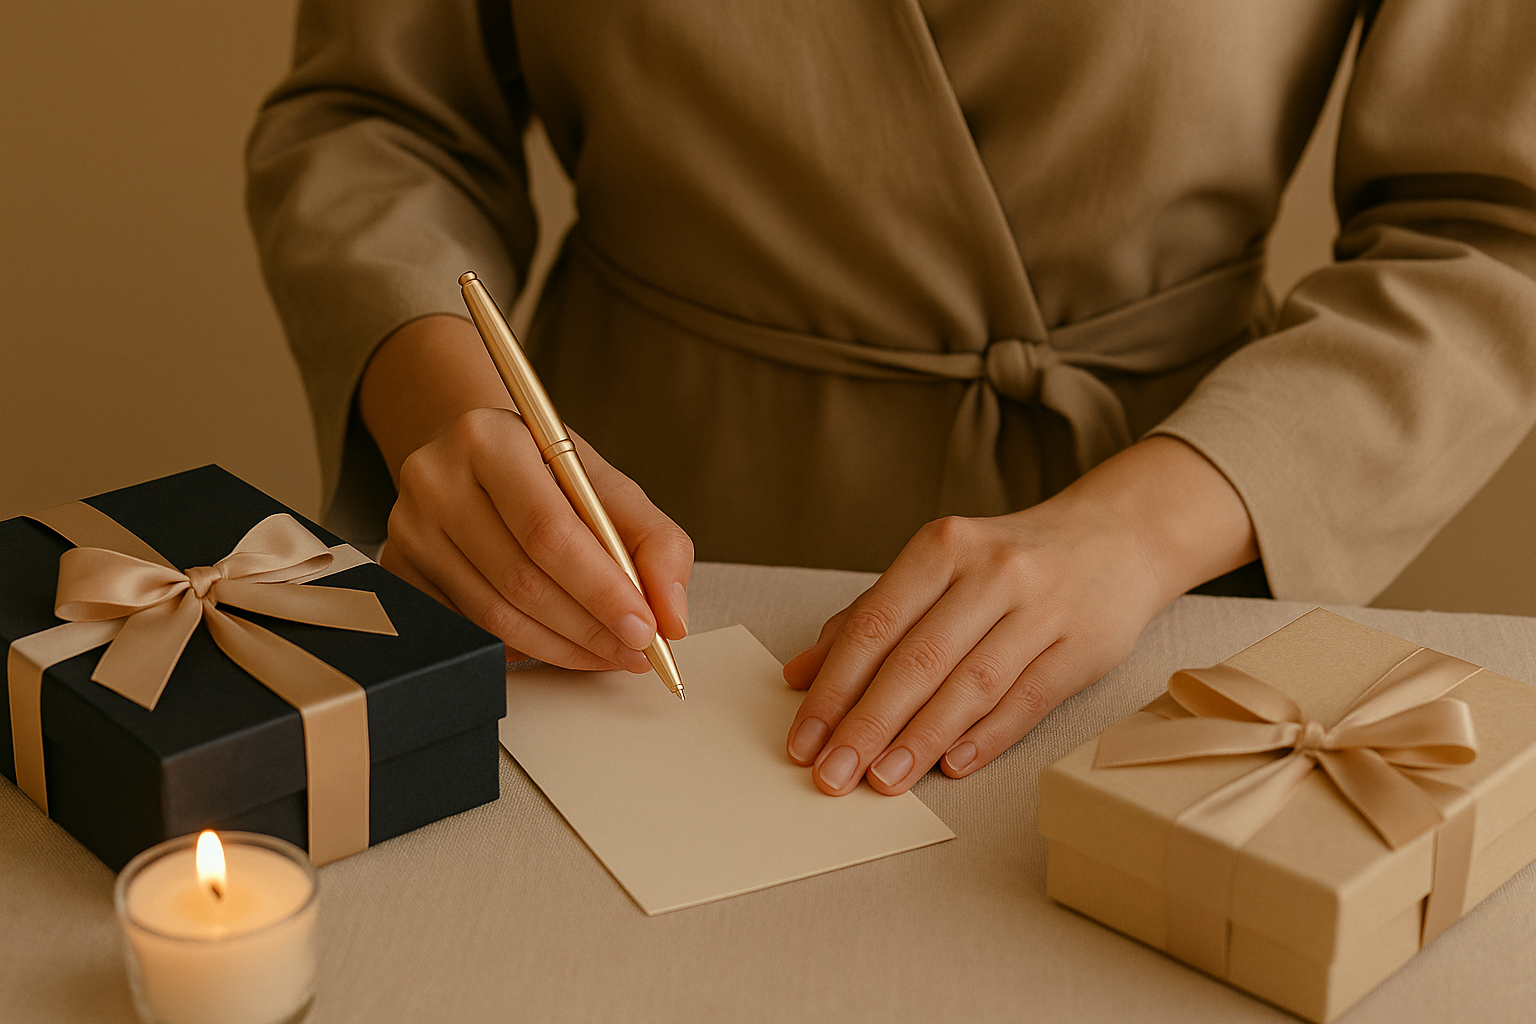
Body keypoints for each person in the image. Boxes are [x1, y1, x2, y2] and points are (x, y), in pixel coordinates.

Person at [247, 0, 1536, 797]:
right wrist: (451, 418)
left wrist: (1139, 534)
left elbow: (1493, 233)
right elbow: (380, 122)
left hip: (1157, 587)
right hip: (609, 568)